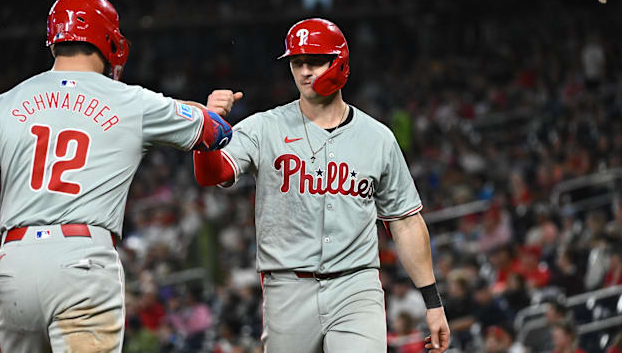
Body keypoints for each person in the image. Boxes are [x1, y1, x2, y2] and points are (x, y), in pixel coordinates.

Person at [0, 0, 232, 352]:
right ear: (108, 40)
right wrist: (210, 108)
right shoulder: (134, 101)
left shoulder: (1, 105)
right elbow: (214, 133)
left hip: (15, 267)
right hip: (83, 262)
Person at [193, 18, 450, 352]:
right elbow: (212, 175)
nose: (304, 71)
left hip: (356, 286)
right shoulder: (263, 128)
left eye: (314, 61)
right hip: (287, 288)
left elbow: (405, 222)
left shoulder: (377, 138)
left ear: (339, 62)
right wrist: (208, 129)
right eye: (297, 63)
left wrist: (433, 302)